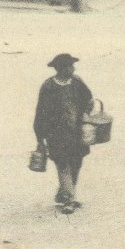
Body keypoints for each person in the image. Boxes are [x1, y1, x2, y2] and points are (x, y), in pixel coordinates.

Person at [34, 53, 93, 213]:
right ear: (61, 68)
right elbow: (41, 112)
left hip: (76, 132)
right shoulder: (48, 86)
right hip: (56, 134)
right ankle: (68, 199)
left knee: (76, 163)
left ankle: (64, 193)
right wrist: (40, 137)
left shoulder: (77, 83)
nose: (73, 68)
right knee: (63, 163)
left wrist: (87, 113)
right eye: (70, 66)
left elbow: (89, 99)